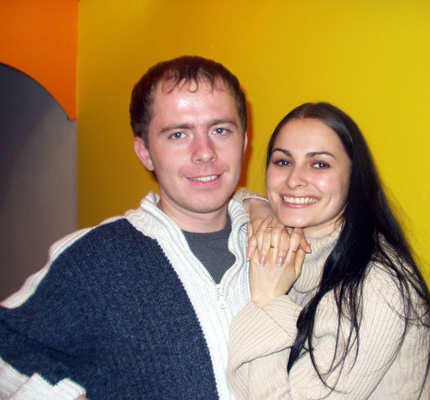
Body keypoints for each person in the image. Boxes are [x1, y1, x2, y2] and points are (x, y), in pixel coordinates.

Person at [0, 56, 253, 400]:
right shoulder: (94, 260)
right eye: (179, 134)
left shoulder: (282, 246)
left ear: (244, 141)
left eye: (220, 130)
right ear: (145, 152)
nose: (204, 152)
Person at [227, 102, 430, 399]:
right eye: (283, 162)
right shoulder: (295, 240)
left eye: (319, 164)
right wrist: (261, 210)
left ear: (355, 176)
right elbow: (232, 194)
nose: (294, 179)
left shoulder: (378, 287)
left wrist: (267, 300)